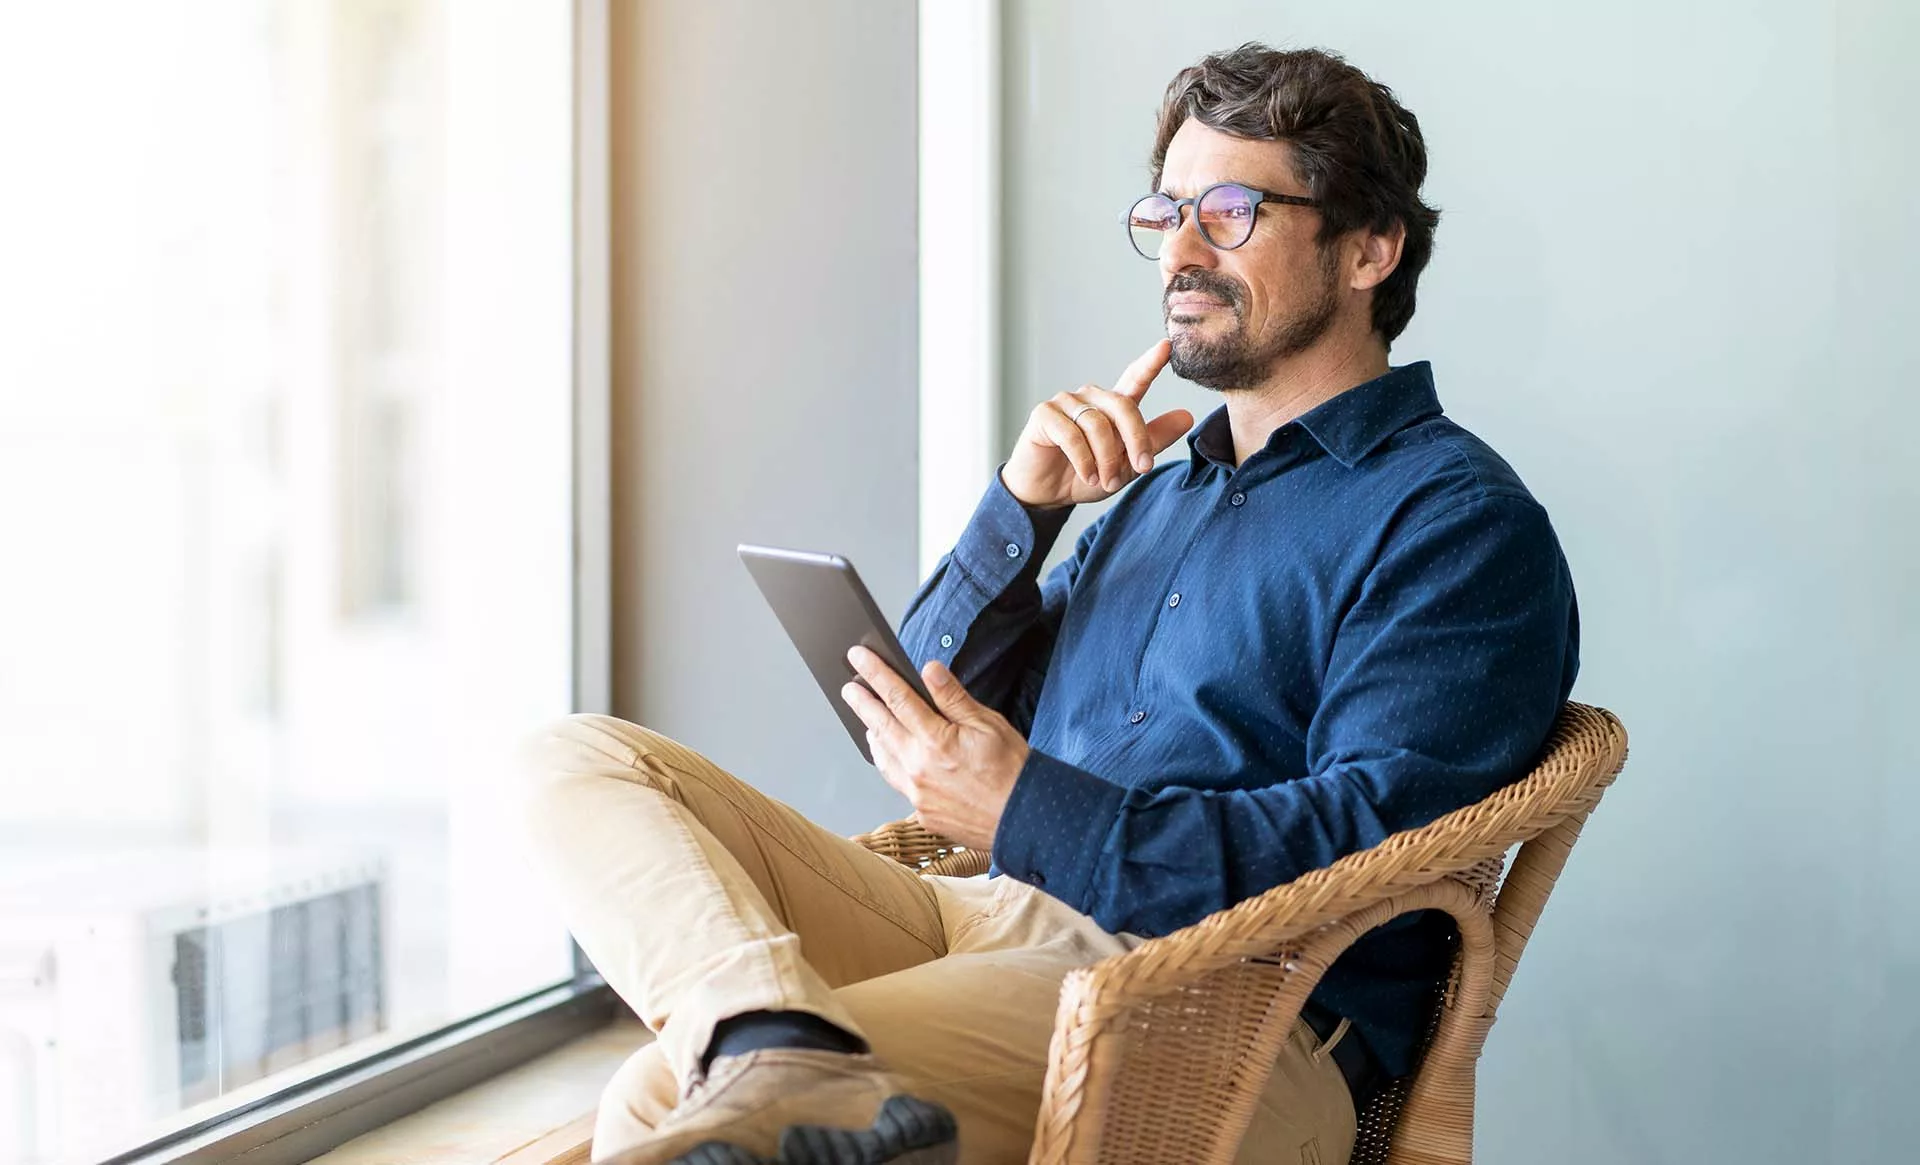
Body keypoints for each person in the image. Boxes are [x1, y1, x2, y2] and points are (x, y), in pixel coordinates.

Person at [523, 42, 1579, 1165]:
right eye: (1165, 211)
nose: (1179, 249)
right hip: (990, 916)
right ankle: (769, 1035)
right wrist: (1021, 512)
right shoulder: (1155, 498)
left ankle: (775, 1069)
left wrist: (1029, 811)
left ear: (1370, 248)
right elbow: (908, 712)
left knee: (651, 1099)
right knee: (577, 758)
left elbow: (1365, 850)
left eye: (1229, 211)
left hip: (1225, 1010)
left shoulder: (1456, 524)